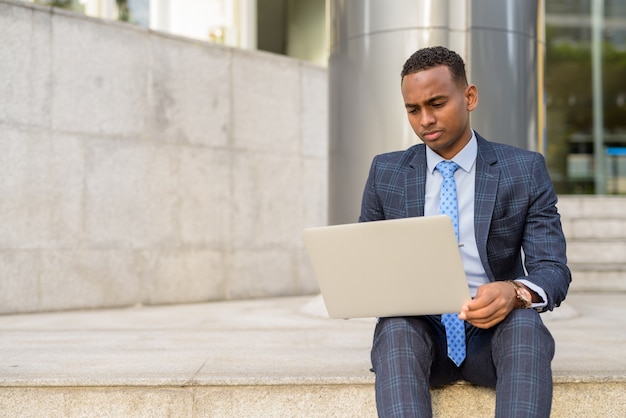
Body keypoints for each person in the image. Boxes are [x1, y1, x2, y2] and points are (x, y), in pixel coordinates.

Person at [359, 46, 571, 417]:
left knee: (525, 327)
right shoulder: (385, 173)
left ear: (469, 97)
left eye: (437, 103)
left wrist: (516, 292)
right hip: (418, 333)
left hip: (495, 334)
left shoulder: (524, 170)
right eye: (413, 109)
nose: (425, 119)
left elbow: (552, 269)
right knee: (395, 328)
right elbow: (365, 263)